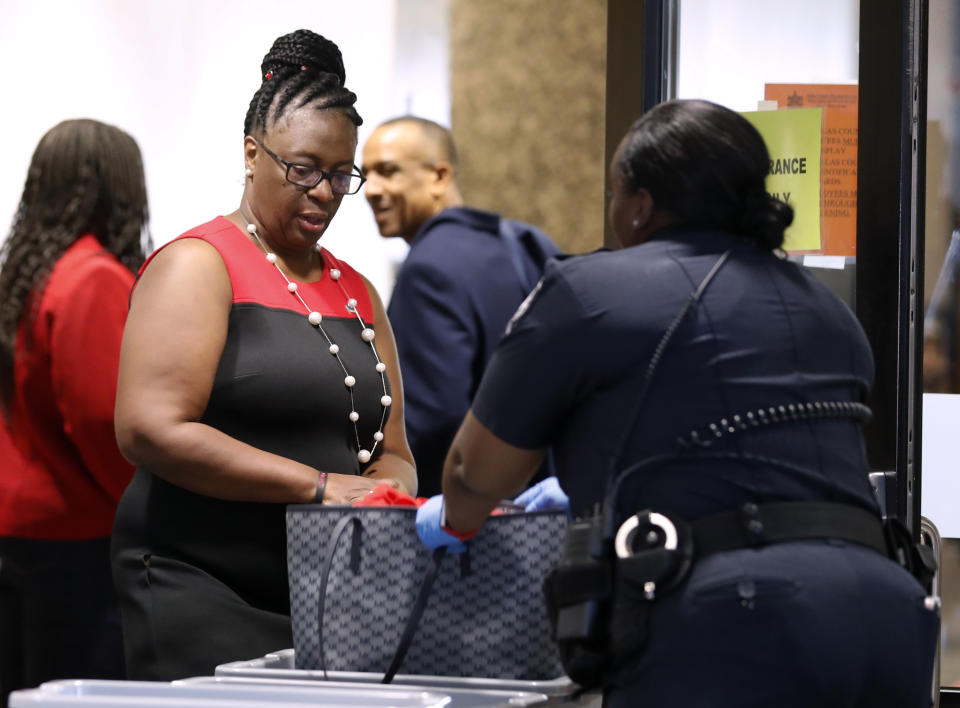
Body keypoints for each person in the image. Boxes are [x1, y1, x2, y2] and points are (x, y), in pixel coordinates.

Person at [417, 99, 939, 707]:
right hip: (889, 612)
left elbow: (471, 474)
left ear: (639, 204)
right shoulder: (829, 310)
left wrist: (452, 522)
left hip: (731, 620)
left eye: (615, 192)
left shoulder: (589, 290)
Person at [111, 29, 416, 681]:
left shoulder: (357, 290)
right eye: (303, 170)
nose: (325, 193)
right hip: (202, 581)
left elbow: (393, 448)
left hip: (331, 592)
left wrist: (389, 496)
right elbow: (149, 428)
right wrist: (321, 489)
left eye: (341, 175)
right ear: (252, 154)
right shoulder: (200, 265)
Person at [0, 119, 150, 701]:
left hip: (23, 533)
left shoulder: (25, 277)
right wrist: (146, 512)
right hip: (76, 541)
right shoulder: (92, 279)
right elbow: (104, 424)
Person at [361, 117, 560, 495]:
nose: (371, 189)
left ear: (439, 175)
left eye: (388, 171)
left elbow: (431, 416)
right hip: (540, 497)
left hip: (465, 510)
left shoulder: (428, 267)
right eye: (365, 173)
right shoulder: (527, 243)